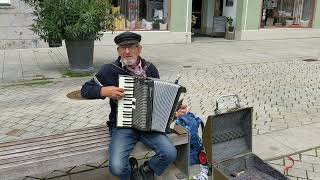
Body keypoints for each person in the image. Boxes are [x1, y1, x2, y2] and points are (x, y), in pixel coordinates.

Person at [81, 31, 187, 180]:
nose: (127, 51)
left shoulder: (150, 69)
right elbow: (85, 90)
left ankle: (146, 170)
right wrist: (104, 90)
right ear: (118, 51)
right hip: (123, 127)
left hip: (149, 126)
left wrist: (174, 111)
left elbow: (158, 100)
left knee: (169, 153)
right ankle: (131, 173)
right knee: (117, 168)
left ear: (139, 49)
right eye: (123, 47)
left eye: (131, 46)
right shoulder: (109, 70)